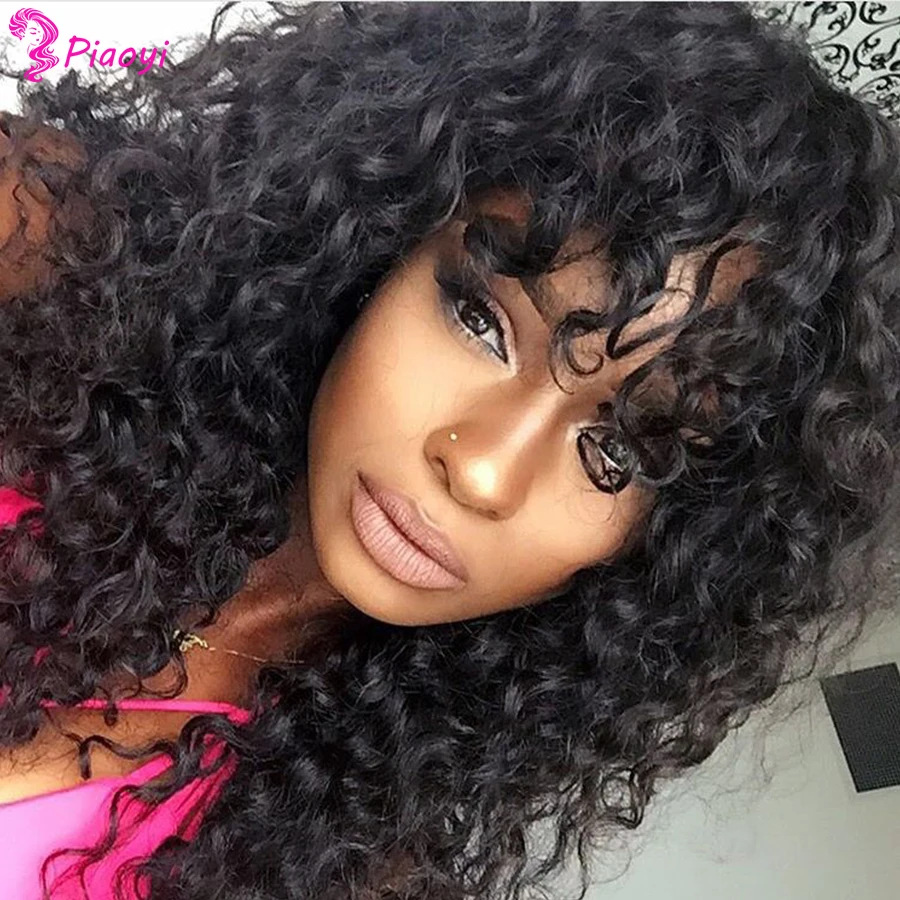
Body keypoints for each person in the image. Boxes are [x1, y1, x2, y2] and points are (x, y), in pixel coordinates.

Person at [0, 2, 897, 898]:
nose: (483, 472)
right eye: (479, 320)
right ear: (378, 232)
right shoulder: (50, 256)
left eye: (620, 453)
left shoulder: (324, 864)